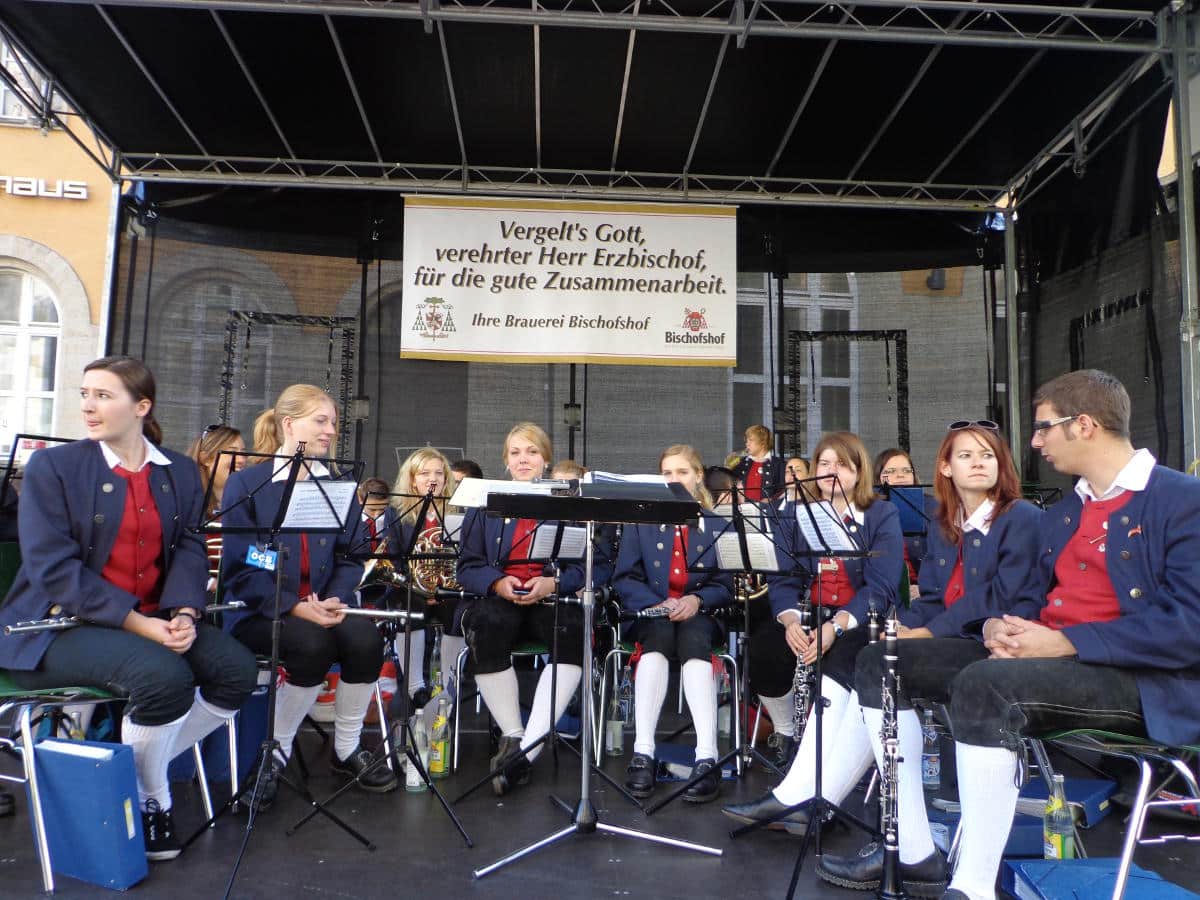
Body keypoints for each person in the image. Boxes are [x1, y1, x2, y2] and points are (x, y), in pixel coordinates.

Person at [906, 371, 1200, 900]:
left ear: (1083, 425)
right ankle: (912, 850)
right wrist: (998, 625)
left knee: (985, 684)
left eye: (1044, 428)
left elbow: (1188, 627)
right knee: (890, 662)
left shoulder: (1183, 499)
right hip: (1054, 667)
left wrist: (1064, 642)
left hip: (1144, 683)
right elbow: (1028, 601)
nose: (1035, 442)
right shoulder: (1064, 514)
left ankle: (972, 887)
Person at [0, 356, 257, 860]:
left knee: (236, 670)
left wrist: (184, 612)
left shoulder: (179, 471)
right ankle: (148, 799)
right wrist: (144, 625)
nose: (88, 406)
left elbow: (187, 545)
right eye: (84, 394)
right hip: (57, 624)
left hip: (157, 617)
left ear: (142, 406)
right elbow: (54, 569)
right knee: (164, 679)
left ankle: (137, 768)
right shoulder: (54, 467)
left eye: (103, 395)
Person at [812, 421, 1043, 896]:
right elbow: (934, 596)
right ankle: (905, 842)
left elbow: (1001, 596)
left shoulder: (1020, 517)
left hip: (995, 643)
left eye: (987, 455)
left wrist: (926, 631)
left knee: (879, 664)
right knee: (873, 655)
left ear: (1001, 466)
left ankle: (908, 847)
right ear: (945, 466)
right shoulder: (944, 524)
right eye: (965, 455)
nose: (978, 462)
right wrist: (908, 625)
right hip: (954, 639)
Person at [222, 384, 397, 803]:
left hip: (324, 607)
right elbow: (245, 559)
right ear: (288, 424)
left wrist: (334, 598)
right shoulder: (246, 484)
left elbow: (350, 556)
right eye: (321, 421)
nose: (330, 431)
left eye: (333, 423)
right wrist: (294, 605)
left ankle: (347, 748)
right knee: (310, 646)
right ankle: (275, 756)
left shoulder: (337, 487)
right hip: (260, 611)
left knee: (365, 641)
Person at [724, 432, 902, 821]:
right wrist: (789, 621)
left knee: (839, 659)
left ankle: (804, 791)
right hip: (808, 612)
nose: (830, 471)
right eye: (823, 463)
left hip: (859, 618)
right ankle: (787, 734)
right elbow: (785, 579)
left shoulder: (880, 515)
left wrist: (834, 627)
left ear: (859, 471)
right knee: (764, 650)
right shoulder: (796, 513)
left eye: (841, 464)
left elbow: (882, 586)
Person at [455, 423, 586, 796]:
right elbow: (467, 565)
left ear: (545, 459)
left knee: (572, 628)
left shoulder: (566, 504)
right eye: (515, 452)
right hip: (501, 598)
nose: (523, 459)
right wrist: (497, 583)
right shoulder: (484, 504)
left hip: (549, 599)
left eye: (531, 451)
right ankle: (514, 737)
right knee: (488, 624)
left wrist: (555, 583)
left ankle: (530, 747)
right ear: (506, 461)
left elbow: (588, 565)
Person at [613, 445, 734, 803]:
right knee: (658, 639)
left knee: (696, 639)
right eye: (667, 473)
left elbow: (725, 585)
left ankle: (706, 756)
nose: (674, 479)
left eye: (682, 472)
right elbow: (625, 578)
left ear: (698, 476)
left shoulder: (717, 524)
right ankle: (643, 752)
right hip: (653, 616)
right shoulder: (643, 522)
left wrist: (697, 600)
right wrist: (656, 604)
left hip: (700, 615)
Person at [389, 449, 459, 706]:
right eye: (425, 473)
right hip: (412, 588)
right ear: (412, 479)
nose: (433, 478)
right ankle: (415, 686)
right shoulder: (395, 513)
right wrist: (418, 586)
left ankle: (451, 685)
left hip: (447, 588)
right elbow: (394, 558)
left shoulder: (458, 511)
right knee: (409, 605)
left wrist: (442, 586)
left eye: (439, 473)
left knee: (458, 609)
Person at [186, 424, 246, 594]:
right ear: (206, 459)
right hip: (200, 597)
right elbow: (177, 559)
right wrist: (210, 583)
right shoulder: (189, 502)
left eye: (243, 452)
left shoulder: (248, 503)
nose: (241, 459)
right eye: (233, 451)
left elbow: (254, 553)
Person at [875, 447, 933, 599]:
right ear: (879, 477)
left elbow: (944, 560)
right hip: (880, 590)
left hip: (920, 592)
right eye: (892, 471)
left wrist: (925, 588)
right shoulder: (868, 510)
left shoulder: (932, 507)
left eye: (907, 471)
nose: (900, 475)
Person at [733, 424, 785, 501]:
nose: (747, 444)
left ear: (762, 442)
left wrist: (772, 500)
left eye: (751, 440)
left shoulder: (779, 464)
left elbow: (785, 491)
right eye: (746, 441)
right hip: (743, 510)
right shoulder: (741, 463)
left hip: (768, 511)